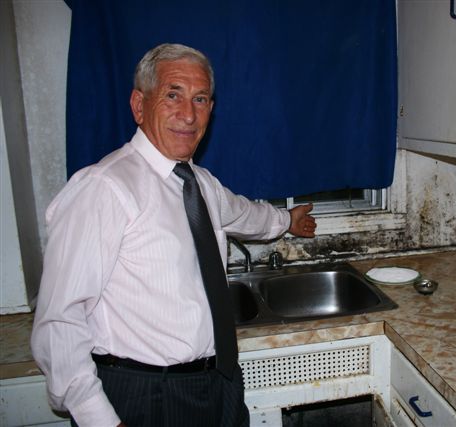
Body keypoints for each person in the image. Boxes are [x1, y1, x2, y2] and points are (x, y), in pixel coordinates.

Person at [31, 43, 317, 427]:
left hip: (218, 381)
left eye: (200, 99)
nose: (188, 114)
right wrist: (99, 419)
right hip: (146, 394)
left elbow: (244, 214)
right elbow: (59, 320)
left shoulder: (200, 183)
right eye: (172, 95)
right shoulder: (103, 188)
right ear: (139, 105)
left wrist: (287, 220)